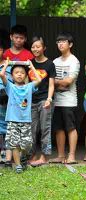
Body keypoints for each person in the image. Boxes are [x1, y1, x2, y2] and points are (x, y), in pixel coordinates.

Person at [0, 60, 41, 173]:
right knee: (14, 144)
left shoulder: (29, 87)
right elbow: (2, 74)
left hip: (26, 120)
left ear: (26, 75)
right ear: (12, 76)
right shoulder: (10, 87)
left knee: (27, 144)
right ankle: (18, 165)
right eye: (16, 72)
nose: (19, 74)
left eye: (22, 72)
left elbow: (39, 79)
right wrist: (7, 64)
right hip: (13, 120)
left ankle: (23, 157)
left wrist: (31, 66)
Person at [2, 24, 34, 168]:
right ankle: (9, 158)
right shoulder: (5, 54)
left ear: (25, 39)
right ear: (11, 37)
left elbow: (31, 76)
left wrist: (24, 91)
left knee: (25, 137)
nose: (19, 40)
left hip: (23, 93)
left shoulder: (28, 54)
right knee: (7, 128)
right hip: (8, 92)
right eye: (16, 37)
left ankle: (20, 158)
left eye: (21, 38)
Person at [49, 32, 80, 164]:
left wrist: (53, 81)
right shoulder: (55, 61)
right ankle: (61, 155)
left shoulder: (74, 61)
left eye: (63, 41)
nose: (60, 44)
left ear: (70, 44)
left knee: (70, 128)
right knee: (58, 128)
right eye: (58, 42)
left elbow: (68, 81)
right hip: (57, 101)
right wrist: (54, 81)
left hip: (69, 101)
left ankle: (71, 155)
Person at [28, 36, 56, 166]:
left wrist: (49, 99)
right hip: (31, 101)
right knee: (32, 129)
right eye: (33, 47)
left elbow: (51, 85)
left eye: (38, 46)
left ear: (44, 48)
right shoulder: (29, 63)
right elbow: (26, 83)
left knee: (45, 129)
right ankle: (32, 155)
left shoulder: (50, 64)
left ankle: (44, 156)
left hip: (45, 100)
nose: (35, 49)